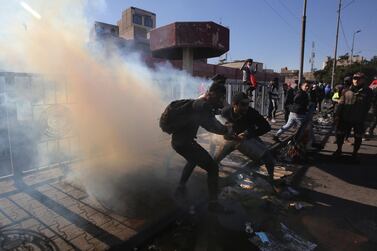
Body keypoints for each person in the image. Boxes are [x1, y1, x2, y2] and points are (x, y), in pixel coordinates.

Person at [171, 80, 233, 212]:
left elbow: (209, 119)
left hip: (180, 141)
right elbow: (211, 126)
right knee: (213, 167)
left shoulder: (200, 101)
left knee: (193, 160)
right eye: (221, 98)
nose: (221, 101)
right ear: (215, 95)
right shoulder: (203, 105)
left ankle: (180, 188)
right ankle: (213, 204)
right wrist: (226, 130)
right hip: (184, 143)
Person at [214, 92, 277, 188]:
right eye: (243, 105)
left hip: (247, 138)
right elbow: (217, 126)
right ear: (235, 104)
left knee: (268, 158)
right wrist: (226, 133)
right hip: (231, 139)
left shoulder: (251, 112)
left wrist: (248, 134)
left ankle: (271, 179)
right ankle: (212, 179)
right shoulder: (225, 112)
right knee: (215, 160)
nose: (246, 107)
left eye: (248, 104)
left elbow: (266, 127)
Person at [333, 72, 373, 160]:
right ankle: (339, 150)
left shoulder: (368, 92)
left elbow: (370, 106)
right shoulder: (346, 90)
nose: (356, 80)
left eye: (358, 78)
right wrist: (337, 115)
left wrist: (368, 121)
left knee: (358, 137)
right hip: (345, 118)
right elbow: (341, 104)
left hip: (359, 119)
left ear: (363, 80)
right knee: (340, 134)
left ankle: (355, 153)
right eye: (354, 78)